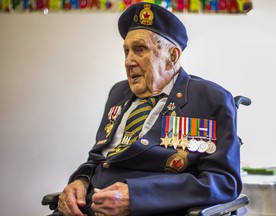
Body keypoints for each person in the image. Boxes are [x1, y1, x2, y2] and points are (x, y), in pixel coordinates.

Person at [51, 2, 242, 216]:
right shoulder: (118, 93)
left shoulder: (210, 99)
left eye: (140, 49)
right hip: (87, 207)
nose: (128, 61)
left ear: (172, 56)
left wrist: (138, 196)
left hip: (149, 210)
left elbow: (224, 182)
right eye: (126, 51)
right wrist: (80, 180)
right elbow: (99, 158)